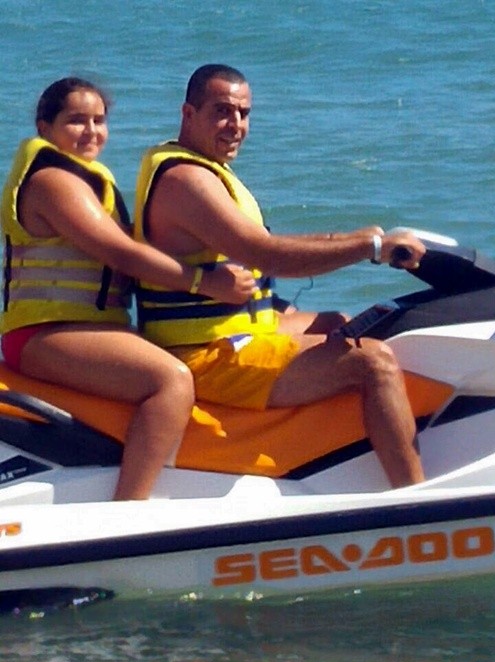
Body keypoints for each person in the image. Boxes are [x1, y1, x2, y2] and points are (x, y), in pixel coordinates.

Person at [133, 64, 427, 489]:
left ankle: (325, 467)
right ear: (188, 113)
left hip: (234, 331)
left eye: (244, 114)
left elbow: (263, 247)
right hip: (206, 354)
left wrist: (360, 236)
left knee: (341, 323)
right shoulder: (185, 180)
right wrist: (373, 249)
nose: (235, 125)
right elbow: (265, 255)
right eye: (222, 111)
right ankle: (412, 497)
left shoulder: (202, 168)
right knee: (374, 362)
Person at [0, 76, 256, 500]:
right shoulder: (52, 183)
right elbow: (120, 253)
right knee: (170, 380)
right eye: (76, 120)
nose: (91, 131)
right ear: (44, 127)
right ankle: (128, 509)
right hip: (43, 334)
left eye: (99, 121)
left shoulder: (87, 182)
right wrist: (205, 282)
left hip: (85, 329)